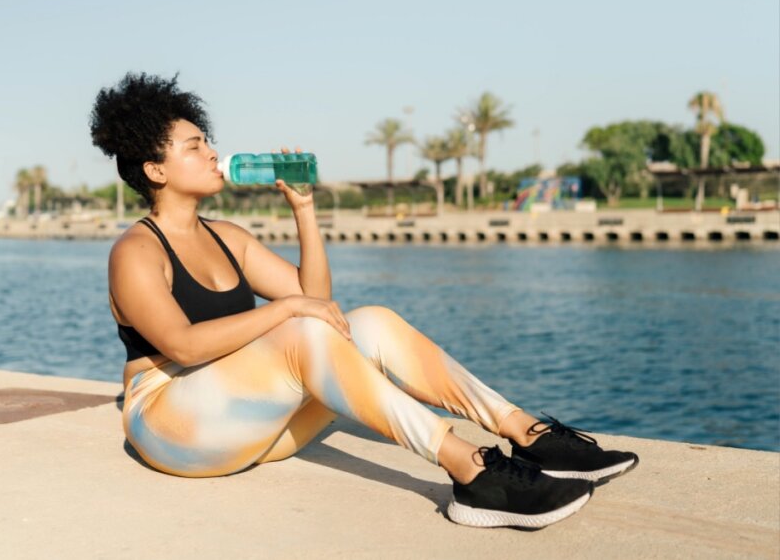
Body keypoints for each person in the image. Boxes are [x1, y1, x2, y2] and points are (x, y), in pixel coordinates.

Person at [89, 72, 638, 529]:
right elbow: (183, 347)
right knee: (301, 326)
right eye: (194, 147)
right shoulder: (135, 251)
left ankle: (525, 432)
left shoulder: (227, 235)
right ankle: (470, 472)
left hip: (248, 428)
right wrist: (282, 311)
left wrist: (304, 210)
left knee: (368, 322)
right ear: (155, 170)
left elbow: (319, 304)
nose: (213, 153)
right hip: (172, 426)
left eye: (207, 141)